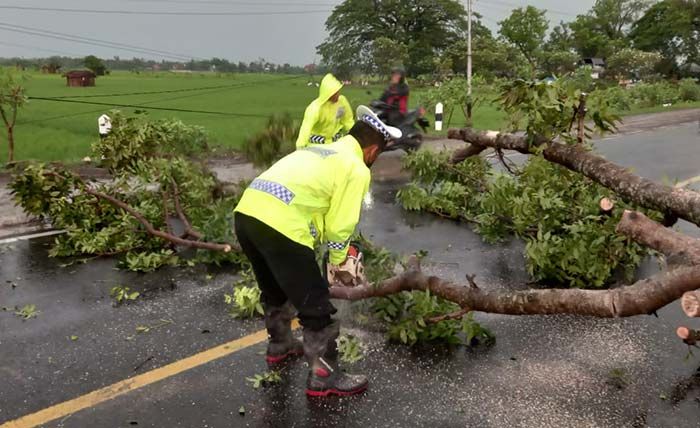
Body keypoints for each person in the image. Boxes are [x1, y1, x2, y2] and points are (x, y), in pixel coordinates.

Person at [234, 105, 401, 397]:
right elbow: (340, 225)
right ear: (373, 150)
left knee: (275, 289)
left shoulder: (319, 150)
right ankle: (325, 376)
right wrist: (339, 263)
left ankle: (280, 345)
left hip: (247, 214)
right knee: (316, 306)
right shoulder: (355, 168)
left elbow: (314, 203)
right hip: (280, 224)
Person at [296, 73, 354, 149]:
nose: (338, 95)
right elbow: (305, 129)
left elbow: (348, 121)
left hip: (336, 144)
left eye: (338, 91)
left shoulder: (342, 102)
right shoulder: (315, 108)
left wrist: (356, 135)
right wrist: (300, 146)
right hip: (316, 146)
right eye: (334, 93)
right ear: (327, 93)